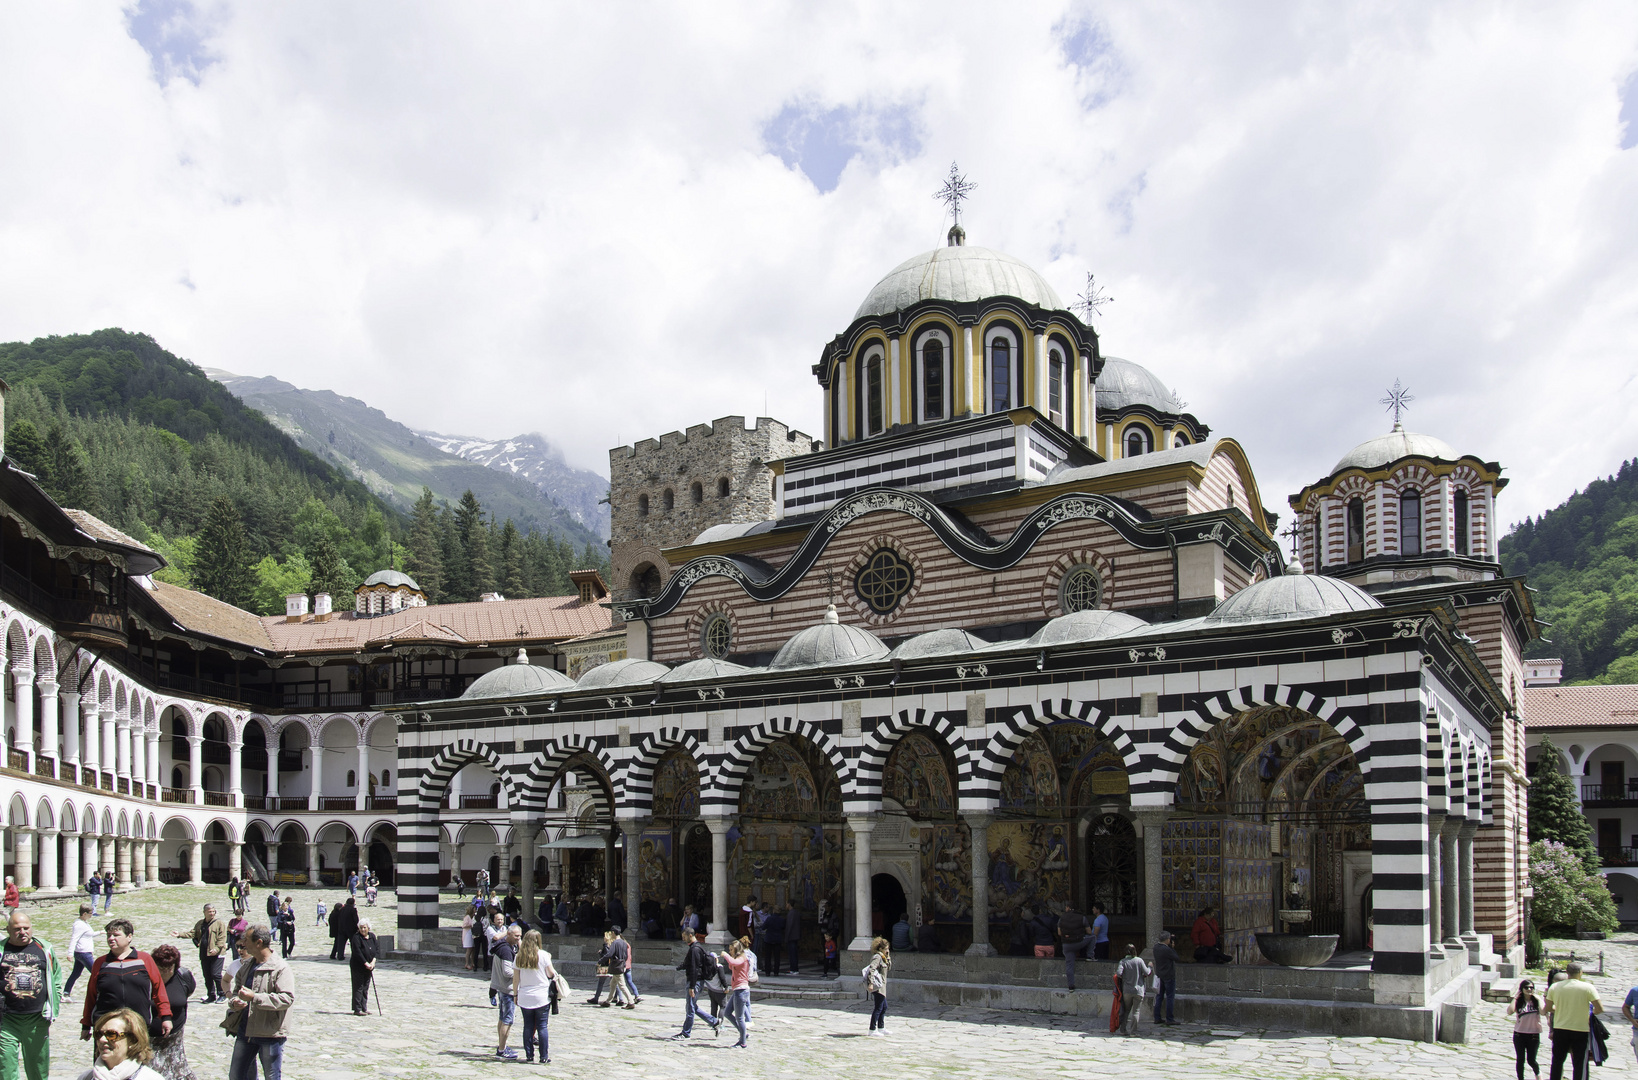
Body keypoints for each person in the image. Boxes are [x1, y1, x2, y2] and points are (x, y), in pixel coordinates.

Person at [80, 918, 172, 1046]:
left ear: (129, 937)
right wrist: (86, 1024)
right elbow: (91, 995)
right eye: (108, 935)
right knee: (106, 1063)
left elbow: (158, 990)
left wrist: (166, 1017)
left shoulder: (144, 959)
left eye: (116, 935)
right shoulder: (100, 963)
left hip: (137, 1026)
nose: (111, 938)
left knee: (136, 1062)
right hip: (106, 1027)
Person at [225, 925, 294, 1080]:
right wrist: (235, 1002)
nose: (243, 944)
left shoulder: (280, 968)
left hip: (270, 1033)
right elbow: (236, 992)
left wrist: (255, 997)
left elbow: (287, 999)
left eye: (247, 940)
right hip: (246, 1031)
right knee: (236, 1076)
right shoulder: (247, 966)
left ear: (259, 943)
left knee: (271, 1076)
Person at [1, 910, 63, 1080]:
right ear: (8, 930)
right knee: (5, 1068)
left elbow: (56, 976)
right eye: (17, 929)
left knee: (38, 1068)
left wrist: (54, 999)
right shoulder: (1, 950)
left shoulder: (44, 949)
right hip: (6, 1021)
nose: (22, 932)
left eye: (26, 928)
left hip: (37, 1019)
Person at [1545, 961, 1603, 1080]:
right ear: (1581, 973)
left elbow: (1548, 1008)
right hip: (1580, 1029)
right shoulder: (1588, 987)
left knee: (1557, 1061)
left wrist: (1559, 1009)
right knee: (1579, 1063)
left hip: (1560, 1028)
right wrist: (1591, 1013)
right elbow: (1599, 1008)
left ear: (1567, 973)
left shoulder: (1555, 987)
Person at [148, 943, 197, 1080]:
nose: (164, 972)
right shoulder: (146, 979)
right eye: (160, 968)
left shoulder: (184, 976)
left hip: (173, 1041)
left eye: (168, 968)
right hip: (148, 1040)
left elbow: (187, 993)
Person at [74, 1007, 164, 1080]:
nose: (102, 1040)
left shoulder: (150, 1078)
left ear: (133, 1040)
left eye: (112, 1035)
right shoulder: (87, 1077)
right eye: (99, 1034)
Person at [510, 929, 557, 1064]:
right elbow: (550, 974)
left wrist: (515, 994)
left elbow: (515, 979)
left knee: (528, 1026)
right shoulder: (543, 955)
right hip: (541, 995)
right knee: (542, 1026)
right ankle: (543, 1056)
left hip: (525, 995)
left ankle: (529, 1055)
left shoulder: (519, 956)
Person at [671, 927, 722, 1040]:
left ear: (690, 935)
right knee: (693, 1006)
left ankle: (685, 1033)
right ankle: (714, 1022)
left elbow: (695, 968)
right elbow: (689, 964)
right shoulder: (696, 948)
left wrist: (692, 986)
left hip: (695, 982)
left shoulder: (695, 949)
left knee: (690, 1008)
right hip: (696, 981)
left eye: (684, 937)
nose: (683, 939)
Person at [175, 904, 226, 1005]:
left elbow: (222, 938)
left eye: (213, 911)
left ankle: (222, 994)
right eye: (209, 911)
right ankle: (211, 995)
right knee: (207, 975)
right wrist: (179, 934)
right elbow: (193, 933)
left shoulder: (219, 923)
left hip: (217, 954)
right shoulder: (200, 923)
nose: (212, 913)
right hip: (204, 953)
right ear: (204, 912)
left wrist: (216, 948)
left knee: (215, 974)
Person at [491, 924, 521, 1060]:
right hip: (507, 990)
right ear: (508, 934)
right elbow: (507, 971)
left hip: (501, 988)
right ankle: (502, 1050)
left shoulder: (503, 946)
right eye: (516, 936)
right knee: (507, 1020)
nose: (518, 939)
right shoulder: (506, 951)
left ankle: (501, 1045)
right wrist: (520, 972)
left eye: (520, 936)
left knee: (502, 1019)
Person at [719, 938, 751, 1048]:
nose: (730, 951)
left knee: (740, 1018)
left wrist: (726, 956)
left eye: (731, 949)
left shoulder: (742, 958)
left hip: (741, 990)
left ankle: (742, 1042)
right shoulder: (737, 958)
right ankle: (743, 1034)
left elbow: (733, 963)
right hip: (737, 990)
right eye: (729, 950)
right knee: (727, 1013)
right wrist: (731, 957)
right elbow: (731, 965)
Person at [64, 903, 98, 1001]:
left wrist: (100, 932)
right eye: (90, 913)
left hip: (83, 953)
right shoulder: (79, 924)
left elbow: (89, 934)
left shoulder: (84, 923)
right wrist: (70, 953)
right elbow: (74, 938)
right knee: (96, 973)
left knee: (76, 973)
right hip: (84, 953)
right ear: (84, 913)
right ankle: (99, 993)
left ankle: (66, 993)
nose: (92, 915)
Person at [1115, 943, 1150, 1036]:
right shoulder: (1139, 960)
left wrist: (1125, 977)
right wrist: (1150, 967)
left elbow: (1118, 973)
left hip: (1127, 990)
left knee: (1126, 1010)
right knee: (1136, 1011)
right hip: (1139, 990)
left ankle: (1123, 1029)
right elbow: (1147, 972)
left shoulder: (1123, 961)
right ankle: (1133, 1032)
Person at [1513, 978, 1544, 1080]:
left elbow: (1543, 1012)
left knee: (1531, 1059)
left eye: (1531, 988)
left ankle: (1538, 1074)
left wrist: (1539, 999)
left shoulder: (1536, 1001)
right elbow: (1509, 1011)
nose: (1529, 989)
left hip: (1533, 1034)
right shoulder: (1519, 1001)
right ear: (1522, 989)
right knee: (1520, 1059)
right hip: (1519, 1034)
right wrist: (1515, 998)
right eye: (1526, 987)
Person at [1058, 903, 1091, 990]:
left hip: (1066, 945)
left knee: (1069, 965)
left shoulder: (1062, 918)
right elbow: (1089, 932)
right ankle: (1090, 955)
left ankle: (1071, 986)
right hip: (1078, 942)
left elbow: (1059, 933)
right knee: (1092, 937)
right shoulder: (1082, 918)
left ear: (1068, 908)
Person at [348, 920, 377, 1016]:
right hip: (358, 966)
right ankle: (357, 1008)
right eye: (361, 928)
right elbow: (357, 952)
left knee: (365, 987)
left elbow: (376, 950)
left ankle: (364, 1007)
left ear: (368, 928)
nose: (363, 929)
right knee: (358, 987)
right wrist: (365, 963)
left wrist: (373, 962)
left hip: (369, 966)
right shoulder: (356, 938)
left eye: (364, 927)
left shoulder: (372, 936)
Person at [1151, 931, 1180, 1025]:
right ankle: (1170, 1018)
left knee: (1159, 996)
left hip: (1160, 975)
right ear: (1167, 940)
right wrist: (1172, 948)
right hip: (1168, 975)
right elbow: (1176, 958)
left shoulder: (1156, 947)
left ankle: (1157, 1017)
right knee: (1170, 997)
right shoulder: (1166, 950)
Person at [865, 937, 891, 1036]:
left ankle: (881, 1027)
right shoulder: (877, 957)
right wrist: (870, 983)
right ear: (880, 949)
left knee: (884, 1007)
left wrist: (888, 957)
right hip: (878, 986)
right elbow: (872, 969)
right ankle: (872, 1029)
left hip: (883, 986)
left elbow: (889, 967)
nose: (887, 951)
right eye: (885, 949)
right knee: (878, 1007)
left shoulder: (884, 957)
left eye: (888, 949)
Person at [618, 927, 641, 1006]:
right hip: (628, 966)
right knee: (629, 981)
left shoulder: (622, 946)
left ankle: (620, 998)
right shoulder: (628, 945)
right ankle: (637, 995)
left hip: (622, 965)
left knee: (620, 983)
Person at [764, 904, 787, 975]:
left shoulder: (769, 918)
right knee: (777, 956)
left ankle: (767, 971)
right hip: (777, 939)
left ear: (773, 911)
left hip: (769, 938)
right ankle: (776, 971)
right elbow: (783, 928)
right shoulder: (782, 919)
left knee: (768, 956)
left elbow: (764, 927)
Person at [785, 900, 802, 973]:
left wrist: (786, 936)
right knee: (794, 952)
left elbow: (789, 925)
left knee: (792, 953)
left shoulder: (791, 913)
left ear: (789, 904)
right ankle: (794, 968)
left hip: (791, 936)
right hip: (796, 935)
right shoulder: (797, 913)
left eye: (786, 904)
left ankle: (793, 969)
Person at [462, 906, 477, 971]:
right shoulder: (467, 917)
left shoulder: (473, 917)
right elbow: (464, 926)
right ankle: (467, 963)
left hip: (471, 934)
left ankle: (473, 962)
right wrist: (471, 925)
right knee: (469, 949)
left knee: (473, 949)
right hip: (467, 934)